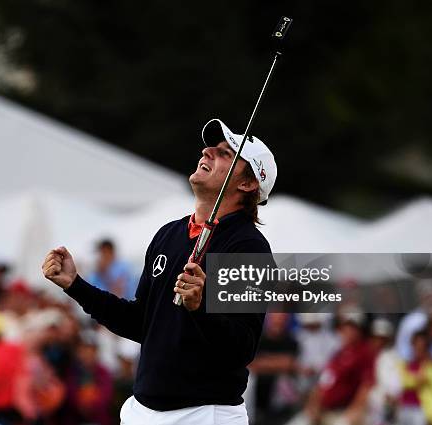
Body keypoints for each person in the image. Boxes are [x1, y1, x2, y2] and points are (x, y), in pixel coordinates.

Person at [43, 118, 277, 424]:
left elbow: (240, 349)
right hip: (143, 410)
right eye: (210, 148)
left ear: (247, 184)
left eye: (224, 153)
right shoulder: (170, 233)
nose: (207, 152)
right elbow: (141, 323)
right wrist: (75, 285)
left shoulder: (248, 247)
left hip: (204, 414)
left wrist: (200, 306)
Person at [398, 330, 432, 425]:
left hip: (422, 411)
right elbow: (401, 382)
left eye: (422, 347)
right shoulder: (404, 364)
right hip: (403, 409)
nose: (419, 349)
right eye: (416, 346)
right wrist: (417, 380)